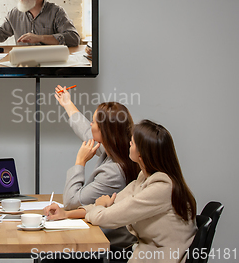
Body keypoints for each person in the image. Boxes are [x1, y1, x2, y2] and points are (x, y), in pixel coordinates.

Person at [45, 120, 197, 263]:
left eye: (133, 142)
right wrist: (65, 214)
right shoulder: (144, 177)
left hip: (158, 258)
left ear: (142, 154)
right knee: (56, 257)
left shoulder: (161, 188)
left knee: (58, 258)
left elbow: (106, 217)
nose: (129, 142)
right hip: (143, 252)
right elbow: (113, 203)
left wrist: (100, 206)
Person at [54, 85, 140, 249]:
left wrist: (80, 161)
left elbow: (71, 201)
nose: (90, 124)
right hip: (103, 235)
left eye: (94, 121)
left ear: (105, 132)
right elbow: (86, 131)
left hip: (112, 244)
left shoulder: (114, 171)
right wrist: (67, 103)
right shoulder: (117, 149)